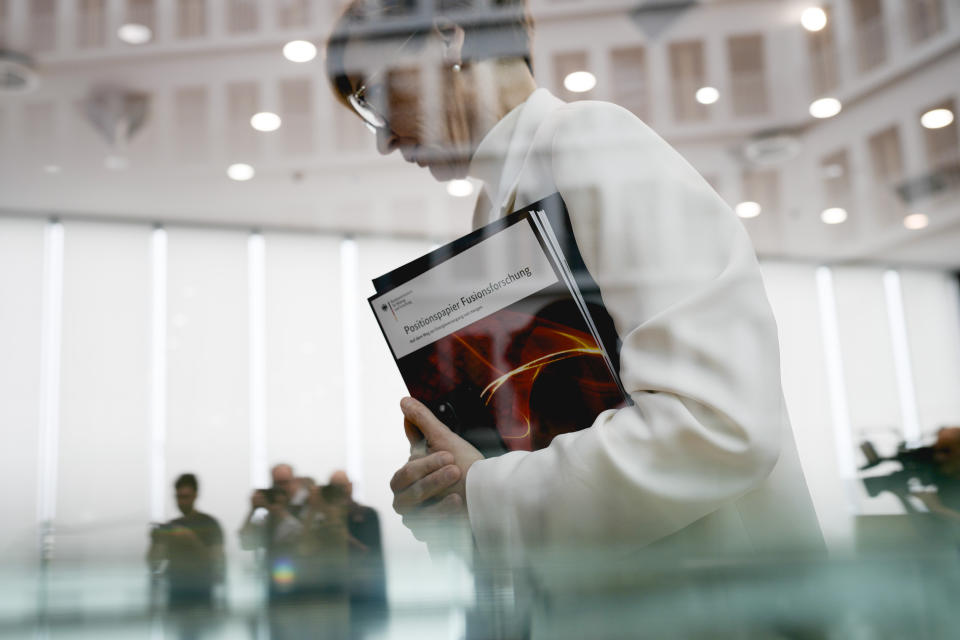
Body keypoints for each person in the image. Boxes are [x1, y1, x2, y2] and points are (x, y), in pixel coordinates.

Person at [325, 0, 823, 603]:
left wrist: (484, 495)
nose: (382, 140)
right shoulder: (495, 204)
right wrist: (454, 478)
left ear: (449, 37)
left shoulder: (592, 138)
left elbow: (717, 426)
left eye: (372, 97)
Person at [147, 473, 225, 608]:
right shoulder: (171, 526)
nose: (181, 502)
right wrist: (156, 542)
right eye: (178, 497)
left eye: (185, 497)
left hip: (202, 592)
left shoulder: (209, 524)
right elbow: (153, 563)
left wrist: (191, 539)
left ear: (195, 496)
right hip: (176, 592)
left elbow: (218, 562)